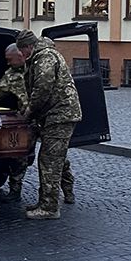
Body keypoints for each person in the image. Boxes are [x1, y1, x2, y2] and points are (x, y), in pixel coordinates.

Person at [16, 29, 81, 220]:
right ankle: (58, 194)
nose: (23, 56)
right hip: (57, 114)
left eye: (22, 52)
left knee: (49, 160)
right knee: (56, 156)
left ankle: (50, 207)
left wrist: (28, 113)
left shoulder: (44, 57)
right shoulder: (43, 55)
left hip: (60, 114)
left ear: (28, 47)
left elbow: (42, 89)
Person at [0, 43, 41, 203]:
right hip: (28, 122)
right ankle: (15, 191)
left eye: (10, 59)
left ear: (20, 55)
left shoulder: (38, 67)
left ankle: (66, 190)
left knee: (56, 158)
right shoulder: (11, 76)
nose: (8, 63)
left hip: (47, 118)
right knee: (20, 156)